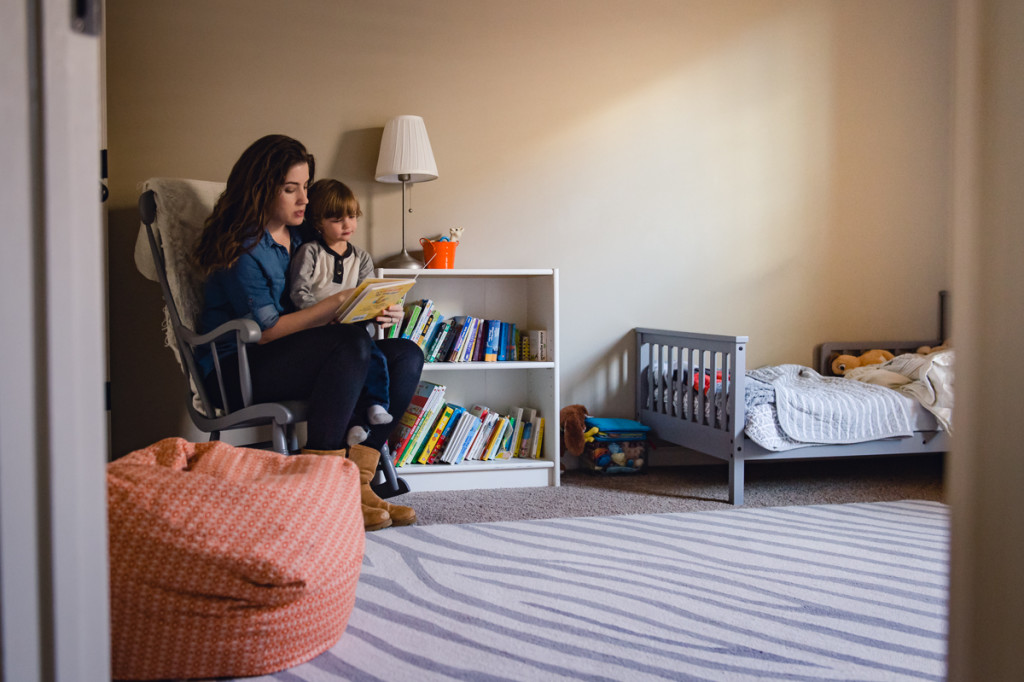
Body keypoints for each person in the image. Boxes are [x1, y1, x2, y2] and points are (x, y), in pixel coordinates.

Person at [194, 134, 423, 530]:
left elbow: (324, 291)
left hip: (296, 355)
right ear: (261, 189)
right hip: (238, 370)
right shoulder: (242, 248)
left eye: (305, 187)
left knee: (406, 354)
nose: (304, 199)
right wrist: (336, 305)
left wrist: (374, 307)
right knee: (349, 344)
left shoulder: (301, 237)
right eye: (290, 189)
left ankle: (358, 481)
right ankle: (323, 487)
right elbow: (264, 333)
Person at [289, 179, 392, 448]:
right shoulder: (309, 252)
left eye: (351, 217)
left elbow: (366, 294)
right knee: (347, 363)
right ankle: (356, 422)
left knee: (371, 353)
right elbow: (299, 292)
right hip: (317, 328)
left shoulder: (362, 258)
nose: (347, 225)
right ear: (318, 223)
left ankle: (374, 406)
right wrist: (320, 315)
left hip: (351, 324)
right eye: (337, 219)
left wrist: (377, 310)